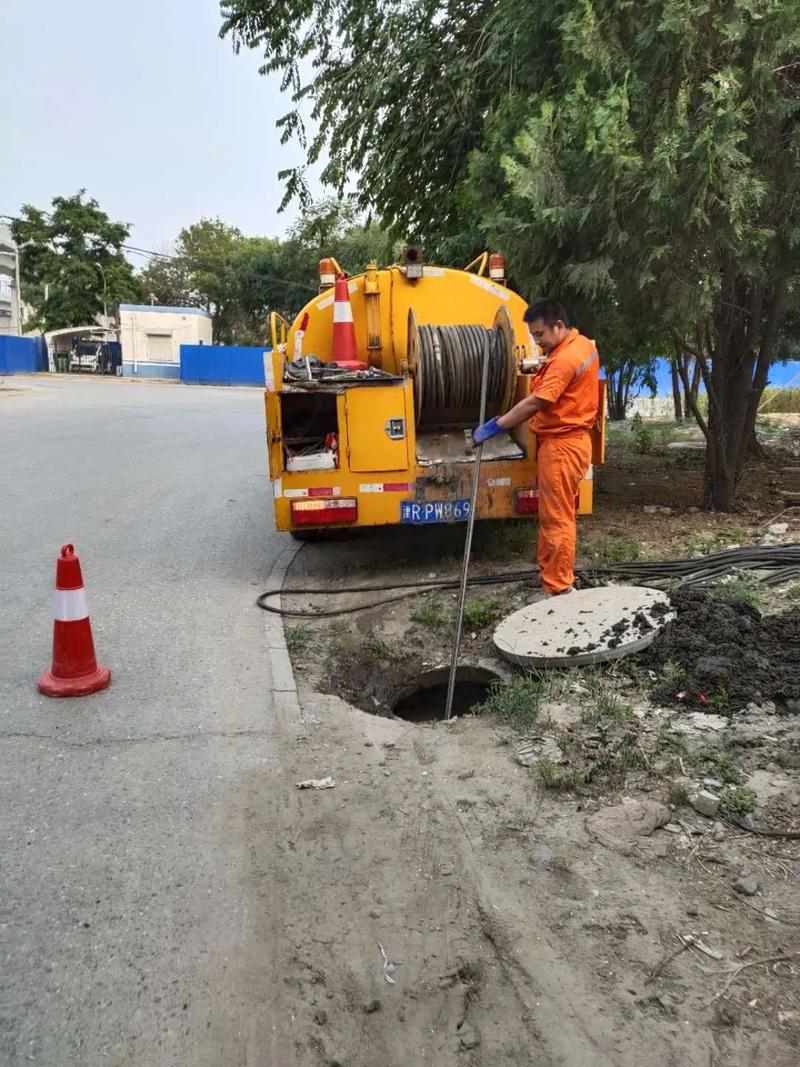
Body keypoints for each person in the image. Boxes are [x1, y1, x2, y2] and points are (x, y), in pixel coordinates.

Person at [474, 298, 599, 596]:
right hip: (570, 441)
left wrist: (496, 425)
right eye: (533, 336)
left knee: (558, 518)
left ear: (558, 325)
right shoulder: (582, 345)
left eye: (540, 335)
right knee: (551, 513)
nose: (537, 342)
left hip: (562, 446)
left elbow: (536, 402)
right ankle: (549, 573)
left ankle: (559, 588)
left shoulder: (565, 360)